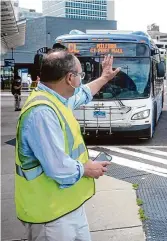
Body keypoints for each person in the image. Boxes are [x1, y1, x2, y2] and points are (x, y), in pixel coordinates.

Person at [14, 49, 120, 241]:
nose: (82, 79)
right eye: (81, 75)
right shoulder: (42, 112)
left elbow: (85, 93)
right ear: (70, 78)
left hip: (66, 206)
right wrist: (88, 169)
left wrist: (104, 78)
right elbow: (58, 167)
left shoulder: (58, 99)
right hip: (50, 215)